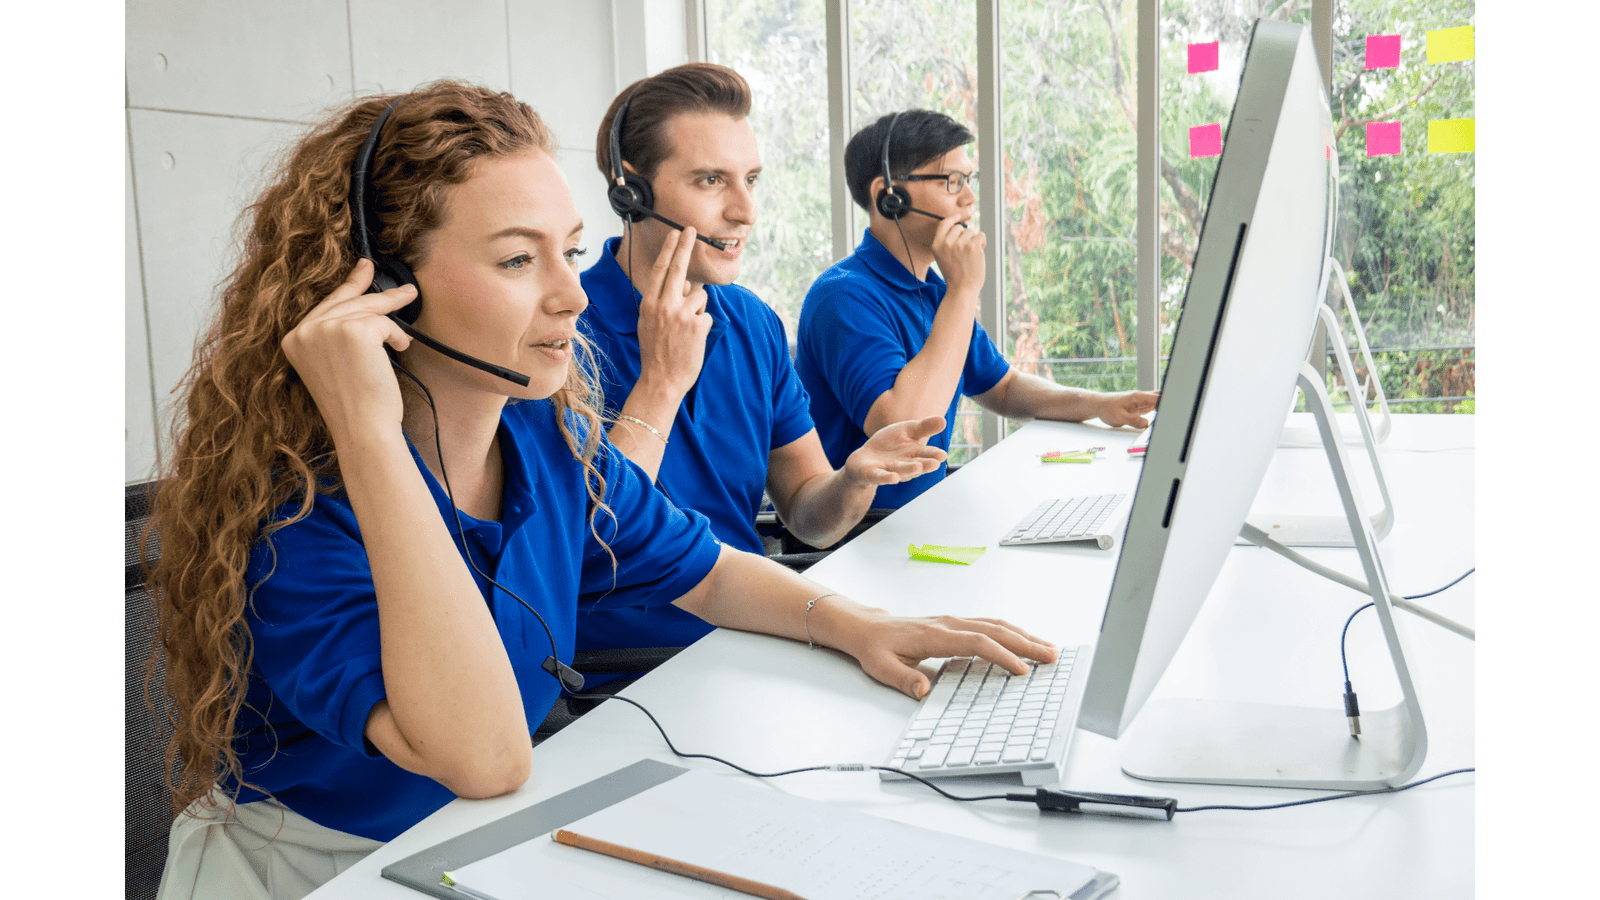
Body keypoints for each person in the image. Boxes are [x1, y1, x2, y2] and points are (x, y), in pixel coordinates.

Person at [147, 82, 1056, 900]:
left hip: (463, 841)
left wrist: (862, 626)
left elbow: (705, 569)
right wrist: (369, 433)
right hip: (322, 870)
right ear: (387, 288)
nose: (572, 297)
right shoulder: (300, 509)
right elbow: (483, 755)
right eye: (516, 261)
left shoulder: (541, 434)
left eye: (570, 250)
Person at [559, 63, 947, 655]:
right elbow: (587, 543)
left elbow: (808, 517)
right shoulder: (563, 335)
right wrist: (661, 379)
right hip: (630, 674)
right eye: (712, 181)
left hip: (763, 632)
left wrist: (853, 480)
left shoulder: (753, 323)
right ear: (629, 190)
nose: (746, 211)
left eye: (752, 179)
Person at [796, 110, 1160, 508]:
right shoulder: (844, 298)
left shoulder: (933, 291)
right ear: (889, 195)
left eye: (968, 181)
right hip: (861, 537)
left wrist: (1099, 405)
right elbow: (902, 428)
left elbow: (1002, 388)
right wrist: (965, 289)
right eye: (951, 181)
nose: (969, 198)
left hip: (920, 517)